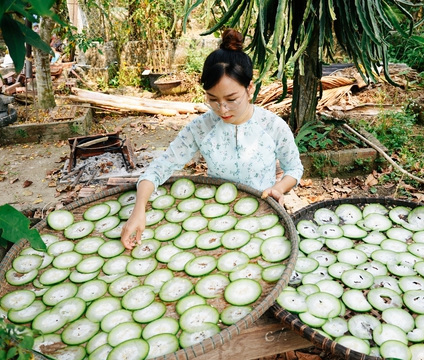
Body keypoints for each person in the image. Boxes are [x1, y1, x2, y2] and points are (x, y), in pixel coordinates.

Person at [120, 29, 304, 250]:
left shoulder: (272, 126)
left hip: (263, 215)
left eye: (231, 99)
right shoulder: (201, 127)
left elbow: (294, 168)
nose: (222, 109)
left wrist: (280, 187)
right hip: (216, 218)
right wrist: (138, 209)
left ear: (250, 89)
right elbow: (160, 167)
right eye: (213, 100)